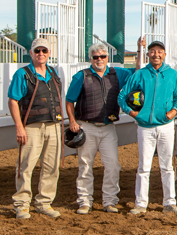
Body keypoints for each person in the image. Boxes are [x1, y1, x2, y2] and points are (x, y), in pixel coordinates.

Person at [65, 41, 140, 214]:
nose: (99, 59)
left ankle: (110, 201)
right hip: (87, 126)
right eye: (95, 57)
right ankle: (84, 201)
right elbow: (70, 101)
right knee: (85, 165)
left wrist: (139, 50)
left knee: (113, 165)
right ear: (90, 59)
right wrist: (73, 122)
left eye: (102, 56)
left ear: (108, 58)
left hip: (108, 127)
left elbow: (136, 71)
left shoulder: (118, 74)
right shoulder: (81, 76)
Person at [118, 40, 177, 215]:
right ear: (148, 54)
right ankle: (140, 203)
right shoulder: (140, 75)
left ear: (164, 54)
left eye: (159, 51)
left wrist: (173, 111)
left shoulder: (172, 75)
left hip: (166, 127)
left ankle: (170, 202)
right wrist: (133, 114)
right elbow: (122, 96)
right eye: (152, 51)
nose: (156, 54)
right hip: (145, 128)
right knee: (143, 167)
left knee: (167, 166)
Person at [8, 38, 64, 219]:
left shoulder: (53, 73)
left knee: (52, 166)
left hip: (54, 126)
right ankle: (22, 205)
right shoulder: (22, 74)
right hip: (31, 127)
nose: (41, 54)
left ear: (49, 53)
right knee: (25, 167)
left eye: (44, 51)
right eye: (37, 50)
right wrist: (19, 127)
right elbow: (13, 101)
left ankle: (44, 203)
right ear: (31, 53)